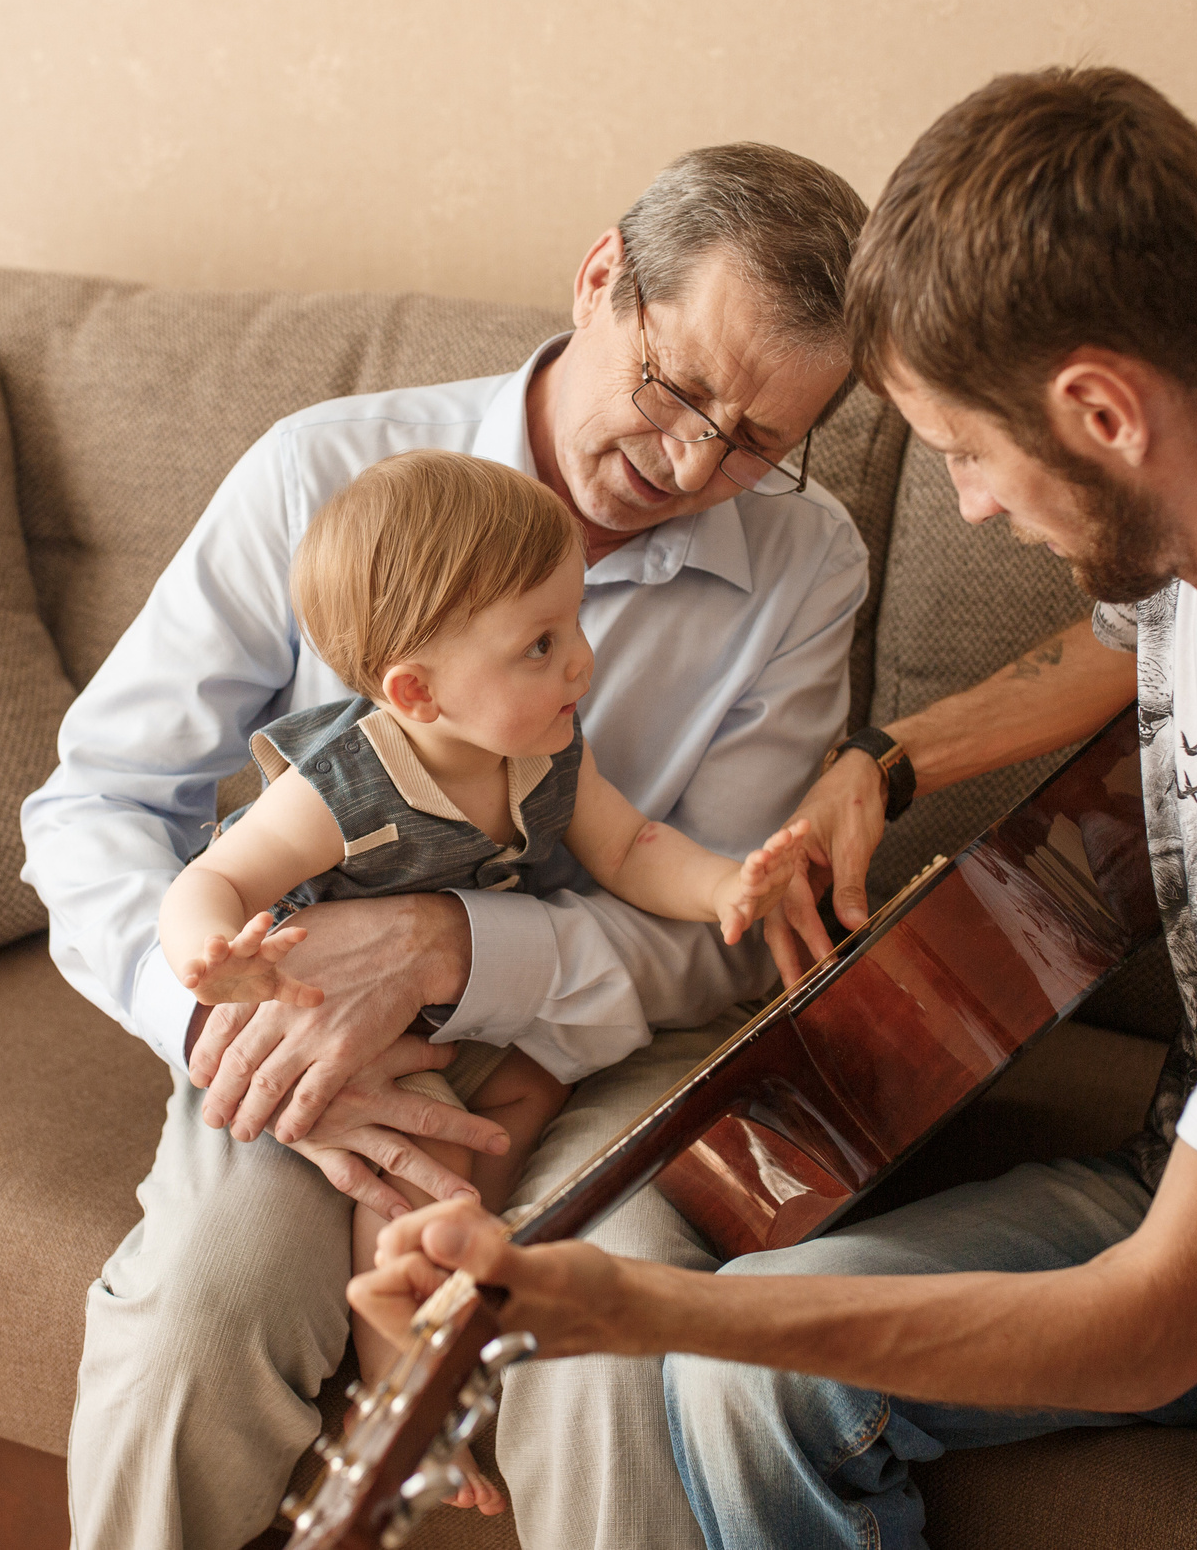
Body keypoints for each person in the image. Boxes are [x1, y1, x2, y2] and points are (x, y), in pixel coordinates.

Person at [353, 68, 1197, 1549]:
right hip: (1188, 1190)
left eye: (961, 451)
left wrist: (629, 1304)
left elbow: (1156, 1321)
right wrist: (884, 762)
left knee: (712, 1337)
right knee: (744, 1384)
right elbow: (1127, 636)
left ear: (1103, 412)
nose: (973, 506)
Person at [20, 142, 872, 1548]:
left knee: (612, 1350)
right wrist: (226, 1020)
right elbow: (100, 801)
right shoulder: (323, 473)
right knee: (204, 1311)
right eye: (675, 391)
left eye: (756, 441)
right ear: (600, 279)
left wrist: (451, 949)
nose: (690, 463)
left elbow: (720, 937)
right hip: (304, 1028)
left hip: (603, 1047)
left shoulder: (806, 562)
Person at [160, 449, 811, 1422]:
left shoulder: (542, 746)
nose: (581, 660)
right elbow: (212, 878)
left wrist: (724, 885)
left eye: (573, 620)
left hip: (451, 1009)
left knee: (537, 1082)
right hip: (338, 1025)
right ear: (417, 694)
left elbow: (630, 848)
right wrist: (212, 953)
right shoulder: (343, 788)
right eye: (540, 645)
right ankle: (398, 1398)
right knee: (426, 1171)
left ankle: (474, 1252)